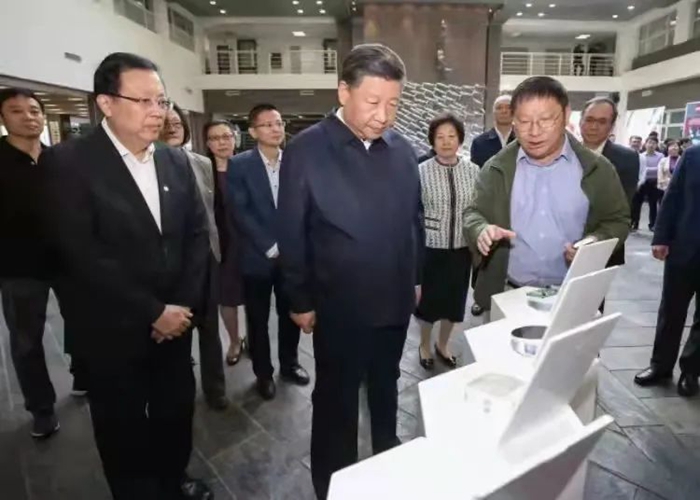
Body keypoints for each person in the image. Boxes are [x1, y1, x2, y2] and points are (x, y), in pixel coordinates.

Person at [40, 52, 211, 500]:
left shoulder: (174, 161)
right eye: (144, 101)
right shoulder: (69, 163)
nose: (159, 112)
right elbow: (82, 254)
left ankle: (174, 479)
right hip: (112, 330)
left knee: (176, 411)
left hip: (176, 325)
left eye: (162, 101)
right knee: (122, 426)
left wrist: (181, 306)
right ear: (106, 103)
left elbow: (196, 236)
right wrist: (152, 311)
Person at [277, 44, 423, 499]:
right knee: (336, 400)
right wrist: (299, 300)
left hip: (394, 300)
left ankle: (386, 462)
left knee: (386, 387)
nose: (384, 116)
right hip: (338, 306)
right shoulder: (306, 150)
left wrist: (415, 278)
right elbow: (292, 230)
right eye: (373, 102)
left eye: (394, 104)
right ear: (344, 91)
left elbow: (415, 221)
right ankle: (333, 483)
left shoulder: (403, 151)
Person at [463, 76, 630, 314]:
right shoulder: (496, 168)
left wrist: (594, 242)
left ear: (566, 115)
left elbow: (617, 220)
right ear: (513, 121)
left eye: (545, 120)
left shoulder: (597, 169)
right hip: (508, 294)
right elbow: (473, 212)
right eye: (524, 121)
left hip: (572, 295)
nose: (534, 131)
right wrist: (481, 229)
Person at [228, 104, 310, 401]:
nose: (276, 129)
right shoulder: (239, 165)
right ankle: (263, 373)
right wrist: (271, 246)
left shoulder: (296, 163)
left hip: (293, 257)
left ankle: (290, 364)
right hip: (257, 257)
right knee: (258, 319)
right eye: (268, 124)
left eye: (279, 123)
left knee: (291, 313)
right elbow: (240, 212)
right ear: (252, 131)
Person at [0, 88, 61, 439]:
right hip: (18, 267)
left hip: (69, 262)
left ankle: (84, 377)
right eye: (17, 111)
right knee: (26, 342)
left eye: (35, 110)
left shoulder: (59, 160)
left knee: (86, 326)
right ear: (3, 118)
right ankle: (41, 408)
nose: (28, 117)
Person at [162, 104, 228, 411]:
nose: (172, 127)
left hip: (206, 257)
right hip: (171, 263)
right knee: (177, 331)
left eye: (177, 123)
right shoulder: (150, 164)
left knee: (210, 328)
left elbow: (212, 211)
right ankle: (179, 391)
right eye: (166, 123)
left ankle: (216, 388)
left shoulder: (202, 163)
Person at [634, 145, 700, 398]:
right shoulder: (693, 156)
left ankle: (691, 370)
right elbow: (673, 196)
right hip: (684, 247)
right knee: (671, 309)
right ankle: (660, 366)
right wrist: (661, 237)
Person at [415, 113, 479, 370]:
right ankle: (424, 344)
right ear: (432, 141)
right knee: (428, 304)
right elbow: (413, 210)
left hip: (461, 249)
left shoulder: (473, 171)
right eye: (440, 137)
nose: (446, 141)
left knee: (454, 303)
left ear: (460, 140)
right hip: (430, 248)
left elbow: (477, 208)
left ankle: (443, 344)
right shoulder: (421, 171)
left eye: (451, 136)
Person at [579, 96, 640, 271]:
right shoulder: (564, 153)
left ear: (611, 126)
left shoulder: (627, 158)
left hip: (600, 244)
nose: (593, 127)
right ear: (581, 121)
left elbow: (621, 209)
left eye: (602, 122)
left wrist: (592, 240)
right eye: (589, 119)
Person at [204, 120, 246, 368]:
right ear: (207, 144)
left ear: (235, 139)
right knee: (227, 297)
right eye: (215, 138)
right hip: (221, 245)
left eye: (226, 136)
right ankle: (234, 340)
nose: (221, 142)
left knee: (255, 296)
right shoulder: (202, 171)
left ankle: (255, 338)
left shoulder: (247, 166)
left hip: (249, 242)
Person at [469, 94, 516, 316]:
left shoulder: (522, 138)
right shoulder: (480, 142)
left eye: (508, 107)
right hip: (488, 203)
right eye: (499, 107)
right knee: (484, 250)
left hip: (514, 205)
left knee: (508, 253)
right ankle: (480, 296)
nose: (504, 111)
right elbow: (477, 176)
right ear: (493, 112)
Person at [632, 136, 665, 231]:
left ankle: (652, 224)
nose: (651, 145)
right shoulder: (641, 156)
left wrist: (646, 169)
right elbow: (640, 169)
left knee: (653, 204)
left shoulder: (660, 156)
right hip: (642, 182)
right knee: (637, 203)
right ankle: (635, 223)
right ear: (645, 144)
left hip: (654, 182)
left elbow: (660, 168)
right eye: (649, 142)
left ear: (656, 145)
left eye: (654, 143)